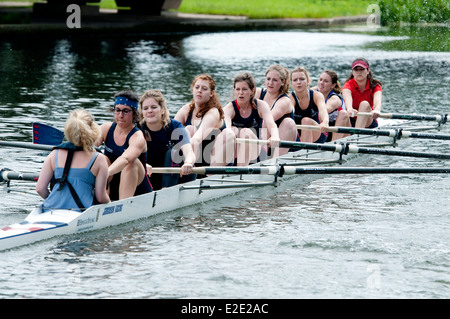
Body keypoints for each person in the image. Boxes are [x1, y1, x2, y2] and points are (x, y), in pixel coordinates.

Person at [36, 109, 110, 212]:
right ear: (93, 130)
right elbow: (101, 197)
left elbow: (40, 189)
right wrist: (110, 205)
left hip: (50, 209)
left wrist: (54, 200)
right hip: (81, 213)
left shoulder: (53, 154)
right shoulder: (99, 158)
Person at [213, 72, 280, 166]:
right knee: (232, 131)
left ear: (252, 91)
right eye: (238, 89)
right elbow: (226, 131)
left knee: (246, 132)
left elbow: (272, 124)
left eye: (244, 89)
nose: (240, 93)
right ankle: (220, 170)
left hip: (255, 153)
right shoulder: (229, 109)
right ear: (234, 90)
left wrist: (275, 136)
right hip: (234, 152)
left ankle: (241, 172)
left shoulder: (261, 105)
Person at [97, 90, 153, 200]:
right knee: (100, 157)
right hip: (111, 183)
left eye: (126, 111)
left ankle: (123, 205)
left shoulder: (137, 137)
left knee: (131, 163)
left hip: (139, 190)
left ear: (134, 114)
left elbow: (125, 159)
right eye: (117, 110)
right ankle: (103, 201)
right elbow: (86, 148)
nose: (121, 115)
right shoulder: (105, 129)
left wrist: (105, 173)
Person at [139, 89, 196, 190]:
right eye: (145, 108)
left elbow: (189, 150)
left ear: (162, 110)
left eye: (154, 107)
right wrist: (142, 164)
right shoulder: (138, 129)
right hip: (151, 175)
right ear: (142, 112)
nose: (149, 111)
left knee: (173, 152)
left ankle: (166, 190)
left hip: (179, 177)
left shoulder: (174, 126)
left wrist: (188, 163)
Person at [174, 74, 225, 167]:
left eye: (204, 89)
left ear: (211, 93)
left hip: (210, 160)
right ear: (192, 89)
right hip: (192, 155)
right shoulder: (187, 109)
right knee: (185, 131)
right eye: (197, 87)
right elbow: (171, 131)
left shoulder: (213, 112)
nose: (199, 91)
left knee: (189, 130)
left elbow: (197, 139)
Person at [256, 65, 297, 157]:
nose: (270, 83)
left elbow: (267, 120)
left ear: (282, 82)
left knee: (287, 122)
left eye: (275, 80)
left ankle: (270, 159)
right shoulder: (258, 93)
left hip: (284, 145)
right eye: (268, 79)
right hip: (265, 141)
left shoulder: (284, 101)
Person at [290, 67, 329, 143]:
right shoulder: (290, 99)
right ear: (291, 83)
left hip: (318, 133)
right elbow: (291, 111)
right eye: (295, 80)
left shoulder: (316, 96)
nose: (298, 82)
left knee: (306, 120)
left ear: (308, 81)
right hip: (298, 136)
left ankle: (303, 151)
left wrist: (325, 122)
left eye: (302, 79)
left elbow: (323, 110)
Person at [342, 58, 383, 128]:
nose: (359, 72)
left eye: (361, 69)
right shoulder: (348, 85)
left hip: (369, 121)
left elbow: (377, 101)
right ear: (353, 72)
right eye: (356, 70)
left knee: (364, 104)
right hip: (351, 119)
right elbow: (347, 97)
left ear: (367, 71)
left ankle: (356, 134)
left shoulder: (375, 86)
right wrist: (349, 108)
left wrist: (376, 110)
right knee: (342, 113)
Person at [312, 70, 350, 141]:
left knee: (343, 113)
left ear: (333, 85)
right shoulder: (314, 90)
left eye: (326, 81)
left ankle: (334, 144)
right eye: (320, 80)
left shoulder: (334, 99)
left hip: (340, 133)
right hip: (323, 130)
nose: (321, 83)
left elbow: (322, 111)